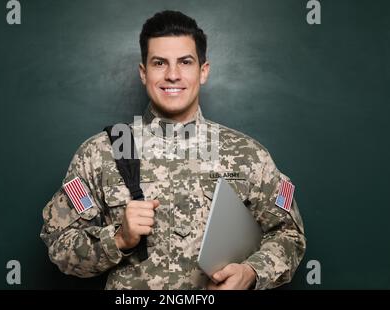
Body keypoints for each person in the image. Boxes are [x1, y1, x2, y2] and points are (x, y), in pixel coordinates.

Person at [40, 10, 306, 290]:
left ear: (203, 71)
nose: (173, 75)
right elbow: (59, 245)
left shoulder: (247, 154)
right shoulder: (101, 153)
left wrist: (251, 272)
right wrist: (119, 239)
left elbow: (290, 235)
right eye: (159, 63)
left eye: (185, 62)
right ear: (143, 73)